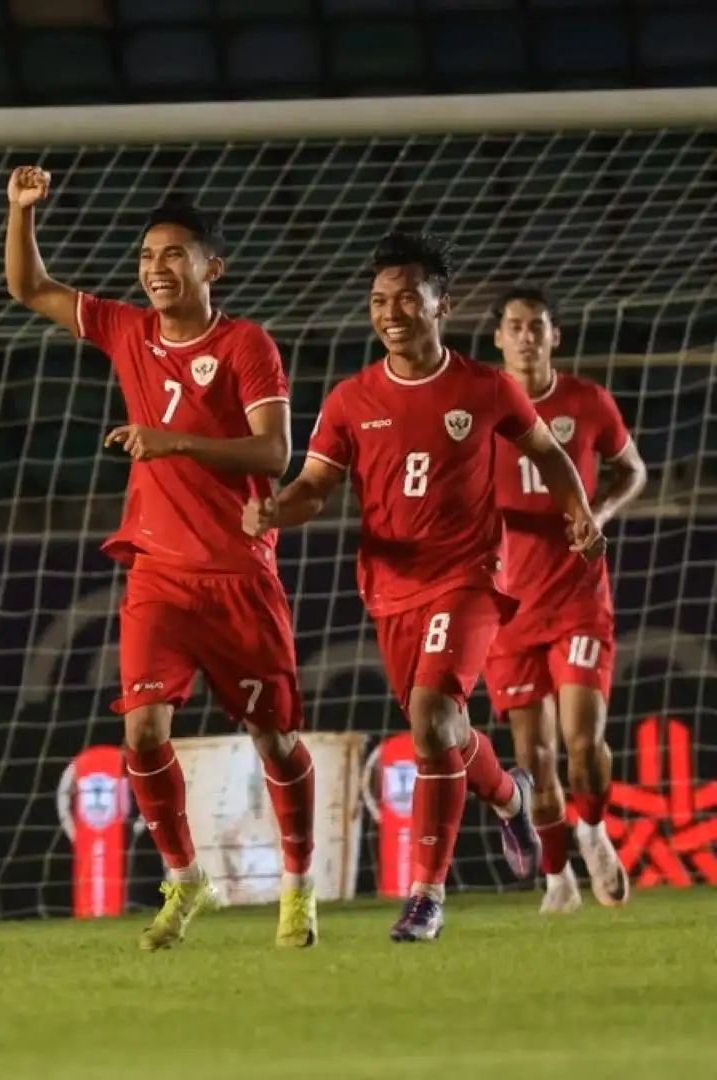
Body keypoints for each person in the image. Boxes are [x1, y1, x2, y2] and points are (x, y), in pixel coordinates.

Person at [246, 233, 605, 943]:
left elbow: (548, 452)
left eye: (408, 296)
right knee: (445, 729)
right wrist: (274, 510)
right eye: (380, 300)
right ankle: (510, 797)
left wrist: (578, 511)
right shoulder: (352, 400)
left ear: (444, 303)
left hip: (471, 579)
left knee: (433, 720)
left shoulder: (485, 386)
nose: (392, 311)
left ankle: (426, 895)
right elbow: (315, 486)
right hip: (390, 589)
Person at [5, 166, 318, 951]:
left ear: (214, 267)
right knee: (142, 732)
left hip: (240, 574)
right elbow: (30, 287)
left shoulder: (247, 344)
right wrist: (20, 212)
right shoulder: (125, 329)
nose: (155, 268)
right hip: (158, 573)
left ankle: (298, 886)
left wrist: (174, 442)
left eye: (174, 254)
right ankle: (185, 878)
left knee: (276, 741)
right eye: (147, 255)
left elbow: (276, 452)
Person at [484, 286, 644, 912]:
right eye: (514, 326)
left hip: (578, 598)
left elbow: (632, 469)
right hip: (507, 612)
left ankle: (595, 829)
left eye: (537, 326)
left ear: (556, 336)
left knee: (583, 741)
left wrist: (598, 511)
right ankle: (558, 880)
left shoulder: (586, 402)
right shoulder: (477, 408)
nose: (526, 336)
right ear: (498, 338)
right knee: (535, 759)